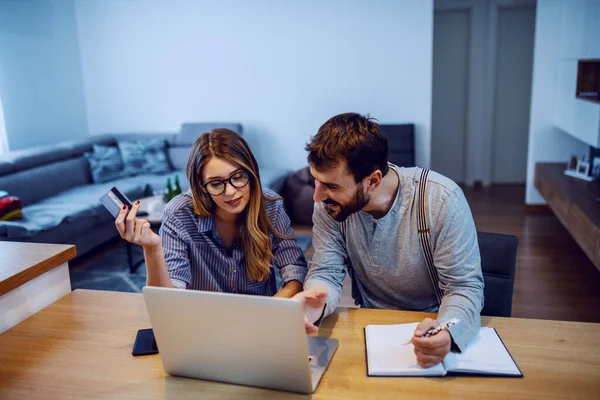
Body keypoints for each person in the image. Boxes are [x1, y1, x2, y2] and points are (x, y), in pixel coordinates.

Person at [293, 113, 484, 368]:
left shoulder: (441, 199)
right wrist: (316, 302)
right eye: (315, 180)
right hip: (368, 328)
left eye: (331, 186)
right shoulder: (330, 206)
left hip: (430, 325)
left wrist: (447, 331)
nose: (317, 196)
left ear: (372, 180)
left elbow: (464, 287)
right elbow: (326, 271)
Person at [116, 128, 307, 298]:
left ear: (252, 172)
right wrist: (152, 248)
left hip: (262, 320)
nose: (231, 192)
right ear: (202, 186)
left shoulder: (269, 205)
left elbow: (295, 270)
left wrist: (272, 310)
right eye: (216, 183)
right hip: (201, 324)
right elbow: (168, 298)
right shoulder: (178, 214)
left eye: (238, 177)